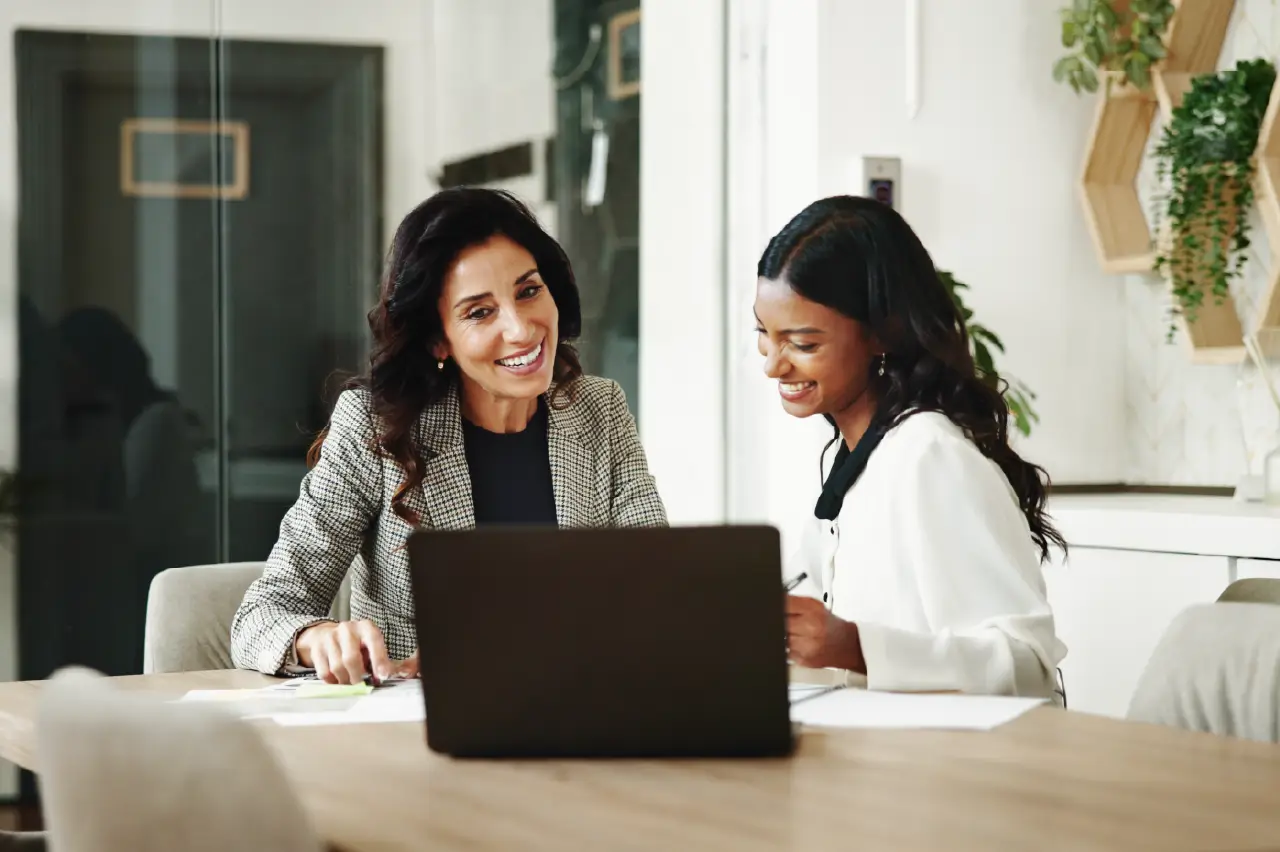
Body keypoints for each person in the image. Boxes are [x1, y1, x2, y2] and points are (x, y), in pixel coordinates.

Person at [230, 188, 667, 683]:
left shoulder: (599, 409)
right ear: (439, 339)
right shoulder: (374, 428)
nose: (522, 331)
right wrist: (318, 638)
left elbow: (657, 593)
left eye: (528, 291)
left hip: (575, 720)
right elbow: (261, 616)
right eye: (480, 312)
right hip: (421, 738)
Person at [756, 195, 1066, 700]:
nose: (773, 364)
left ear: (881, 334)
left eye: (803, 344)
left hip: (958, 769)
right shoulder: (852, 459)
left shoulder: (931, 456)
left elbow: (1027, 665)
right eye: (764, 336)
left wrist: (855, 647)